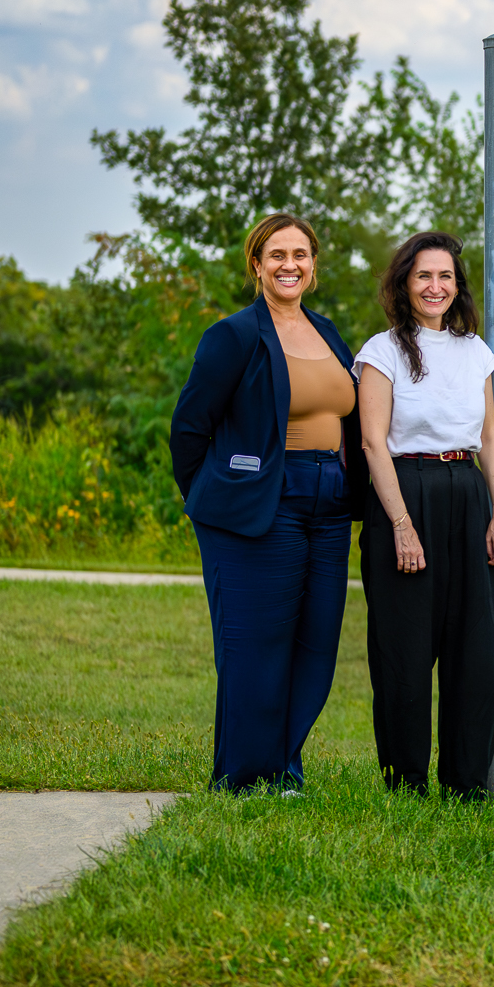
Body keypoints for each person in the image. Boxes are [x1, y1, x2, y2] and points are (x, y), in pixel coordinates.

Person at [170, 213, 364, 793]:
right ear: (256, 265)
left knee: (315, 644)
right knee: (255, 646)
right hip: (260, 504)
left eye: (300, 254)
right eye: (277, 255)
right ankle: (244, 779)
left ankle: (284, 769)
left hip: (329, 503)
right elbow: (189, 429)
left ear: (314, 265)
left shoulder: (327, 331)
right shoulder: (233, 336)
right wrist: (216, 500)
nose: (289, 265)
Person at [354, 232, 494, 797]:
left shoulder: (476, 353)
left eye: (445, 276)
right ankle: (406, 784)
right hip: (405, 492)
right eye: (423, 275)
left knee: (474, 649)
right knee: (405, 649)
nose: (435, 286)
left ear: (457, 285)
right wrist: (402, 525)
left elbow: (488, 437)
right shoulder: (381, 352)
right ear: (404, 283)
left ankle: (466, 786)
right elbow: (373, 444)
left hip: (466, 493)